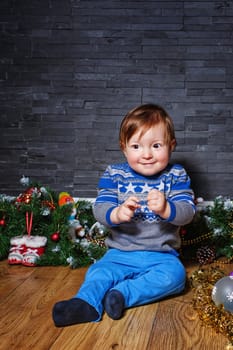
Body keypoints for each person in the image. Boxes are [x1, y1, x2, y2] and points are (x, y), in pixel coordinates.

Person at [52, 103, 196, 327]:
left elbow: (188, 212)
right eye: (137, 146)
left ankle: (121, 295)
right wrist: (117, 213)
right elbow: (100, 209)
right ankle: (86, 304)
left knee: (175, 277)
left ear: (171, 145)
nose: (147, 154)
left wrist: (167, 209)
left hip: (162, 256)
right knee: (99, 272)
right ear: (124, 148)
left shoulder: (176, 175)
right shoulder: (114, 174)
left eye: (156, 145)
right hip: (120, 254)